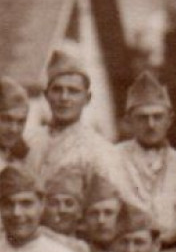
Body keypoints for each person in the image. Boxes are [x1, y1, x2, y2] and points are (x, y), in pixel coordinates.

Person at [113, 71, 176, 252]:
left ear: (170, 119)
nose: (151, 124)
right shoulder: (109, 160)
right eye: (142, 117)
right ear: (128, 120)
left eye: (158, 117)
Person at [33, 49, 119, 188]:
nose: (64, 98)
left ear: (87, 98)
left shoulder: (100, 151)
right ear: (46, 95)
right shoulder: (31, 143)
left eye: (73, 91)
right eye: (57, 90)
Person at [39, 167, 92, 252]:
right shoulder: (37, 244)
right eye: (54, 203)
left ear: (79, 211)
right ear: (44, 210)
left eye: (69, 203)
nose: (62, 210)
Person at [77, 171, 123, 252]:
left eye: (108, 213)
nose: (101, 220)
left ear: (121, 217)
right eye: (94, 214)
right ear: (84, 220)